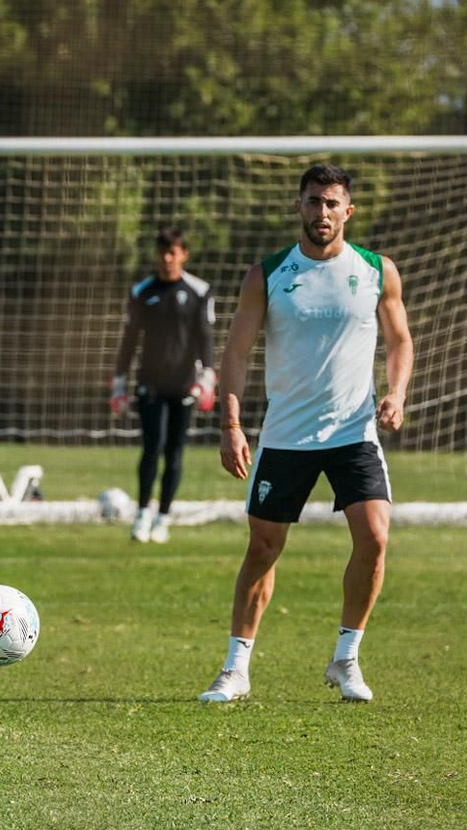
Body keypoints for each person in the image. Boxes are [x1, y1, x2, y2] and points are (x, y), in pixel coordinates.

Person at [201, 163, 414, 705]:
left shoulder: (375, 270)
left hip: (354, 431)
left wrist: (397, 393)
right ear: (299, 206)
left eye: (332, 203)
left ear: (349, 210)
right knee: (264, 547)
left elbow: (401, 341)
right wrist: (230, 423)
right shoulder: (267, 274)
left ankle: (346, 658)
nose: (322, 212)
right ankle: (236, 668)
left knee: (375, 537)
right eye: (314, 201)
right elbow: (236, 353)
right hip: (286, 435)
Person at [111, 227, 216, 545]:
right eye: (163, 253)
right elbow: (129, 340)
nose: (168, 258)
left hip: (183, 385)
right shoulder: (142, 291)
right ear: (157, 255)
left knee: (174, 452)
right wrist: (119, 383)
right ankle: (142, 513)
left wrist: (207, 378)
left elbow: (205, 338)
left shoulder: (199, 291)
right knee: (151, 447)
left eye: (174, 252)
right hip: (150, 384)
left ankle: (163, 518)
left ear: (183, 254)